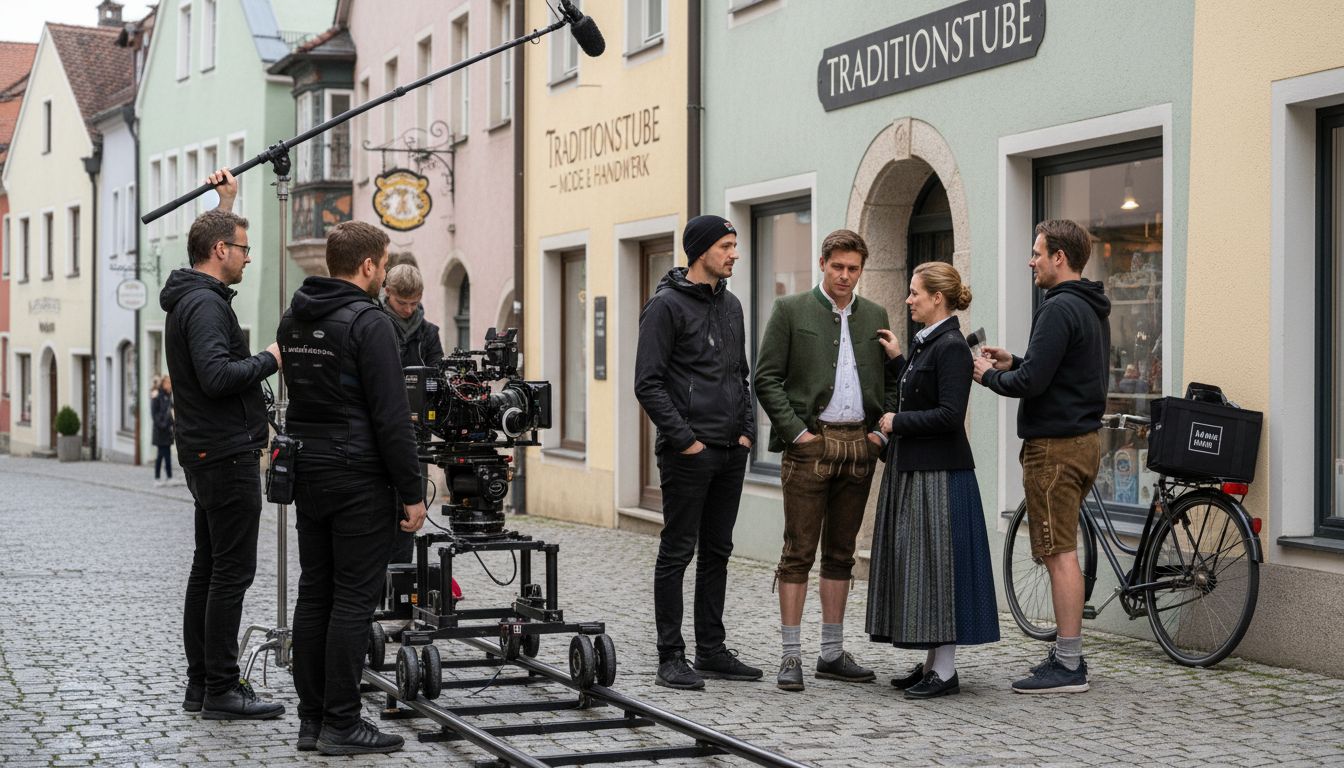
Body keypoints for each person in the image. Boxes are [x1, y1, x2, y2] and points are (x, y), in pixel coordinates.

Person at [281, 220, 428, 755]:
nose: (385, 270)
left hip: (309, 474)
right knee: (352, 602)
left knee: (314, 593)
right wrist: (412, 492)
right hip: (360, 479)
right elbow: (393, 418)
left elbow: (299, 398)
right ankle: (341, 723)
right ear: (368, 266)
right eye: (384, 263)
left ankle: (312, 720)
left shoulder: (293, 319)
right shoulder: (370, 324)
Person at [161, 170, 285, 720]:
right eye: (242, 248)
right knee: (229, 573)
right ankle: (221, 688)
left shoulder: (191, 297)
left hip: (205, 450)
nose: (248, 257)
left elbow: (209, 370)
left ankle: (202, 684)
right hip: (225, 451)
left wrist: (227, 201)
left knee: (208, 570)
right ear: (219, 251)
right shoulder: (206, 306)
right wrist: (270, 359)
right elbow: (216, 375)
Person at [754, 228, 897, 692]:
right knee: (798, 552)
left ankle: (831, 653)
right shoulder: (790, 310)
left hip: (860, 447)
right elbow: (766, 378)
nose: (845, 276)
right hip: (810, 447)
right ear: (822, 263)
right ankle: (791, 655)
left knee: (842, 553)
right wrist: (797, 434)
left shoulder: (875, 315)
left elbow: (893, 383)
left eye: (854, 269)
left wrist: (878, 436)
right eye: (838, 267)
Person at [973, 219, 1111, 694]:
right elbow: (1053, 371)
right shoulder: (1089, 306)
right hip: (1083, 440)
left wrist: (987, 376)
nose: (1031, 261)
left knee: (1058, 553)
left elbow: (1033, 385)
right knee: (1062, 549)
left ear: (1059, 257)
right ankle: (1065, 654)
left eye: (1037, 253)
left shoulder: (1057, 309)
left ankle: (1069, 664)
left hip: (1055, 446)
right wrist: (1014, 360)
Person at [634, 214, 762, 691]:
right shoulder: (665, 306)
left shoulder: (732, 306)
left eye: (736, 245)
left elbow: (740, 375)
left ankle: (711, 650)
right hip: (688, 453)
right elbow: (647, 382)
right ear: (701, 251)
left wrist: (746, 432)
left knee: (718, 552)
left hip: (731, 449)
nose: (734, 254)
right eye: (727, 245)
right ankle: (671, 655)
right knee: (677, 552)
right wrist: (685, 439)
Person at [866, 262, 999, 700]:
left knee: (940, 572)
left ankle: (945, 671)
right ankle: (931, 665)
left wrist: (895, 420)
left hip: (941, 475)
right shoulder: (932, 345)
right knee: (926, 570)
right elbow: (927, 390)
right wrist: (900, 358)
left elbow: (948, 415)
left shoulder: (952, 346)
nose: (909, 299)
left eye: (914, 293)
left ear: (936, 298)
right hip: (919, 470)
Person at [382, 263, 444, 563]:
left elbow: (439, 380)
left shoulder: (428, 333)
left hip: (416, 436)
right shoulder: (375, 325)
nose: (408, 310)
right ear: (387, 293)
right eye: (401, 303)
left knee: (409, 515)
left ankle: (401, 590)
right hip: (381, 429)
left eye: (414, 303)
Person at [151, 374, 176, 487]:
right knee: (164, 455)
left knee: (163, 455)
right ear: (163, 384)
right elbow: (155, 414)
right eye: (168, 383)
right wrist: (163, 424)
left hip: (167, 431)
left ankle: (162, 478)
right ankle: (164, 478)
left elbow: (171, 411)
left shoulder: (168, 396)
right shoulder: (157, 396)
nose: (170, 385)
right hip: (160, 431)